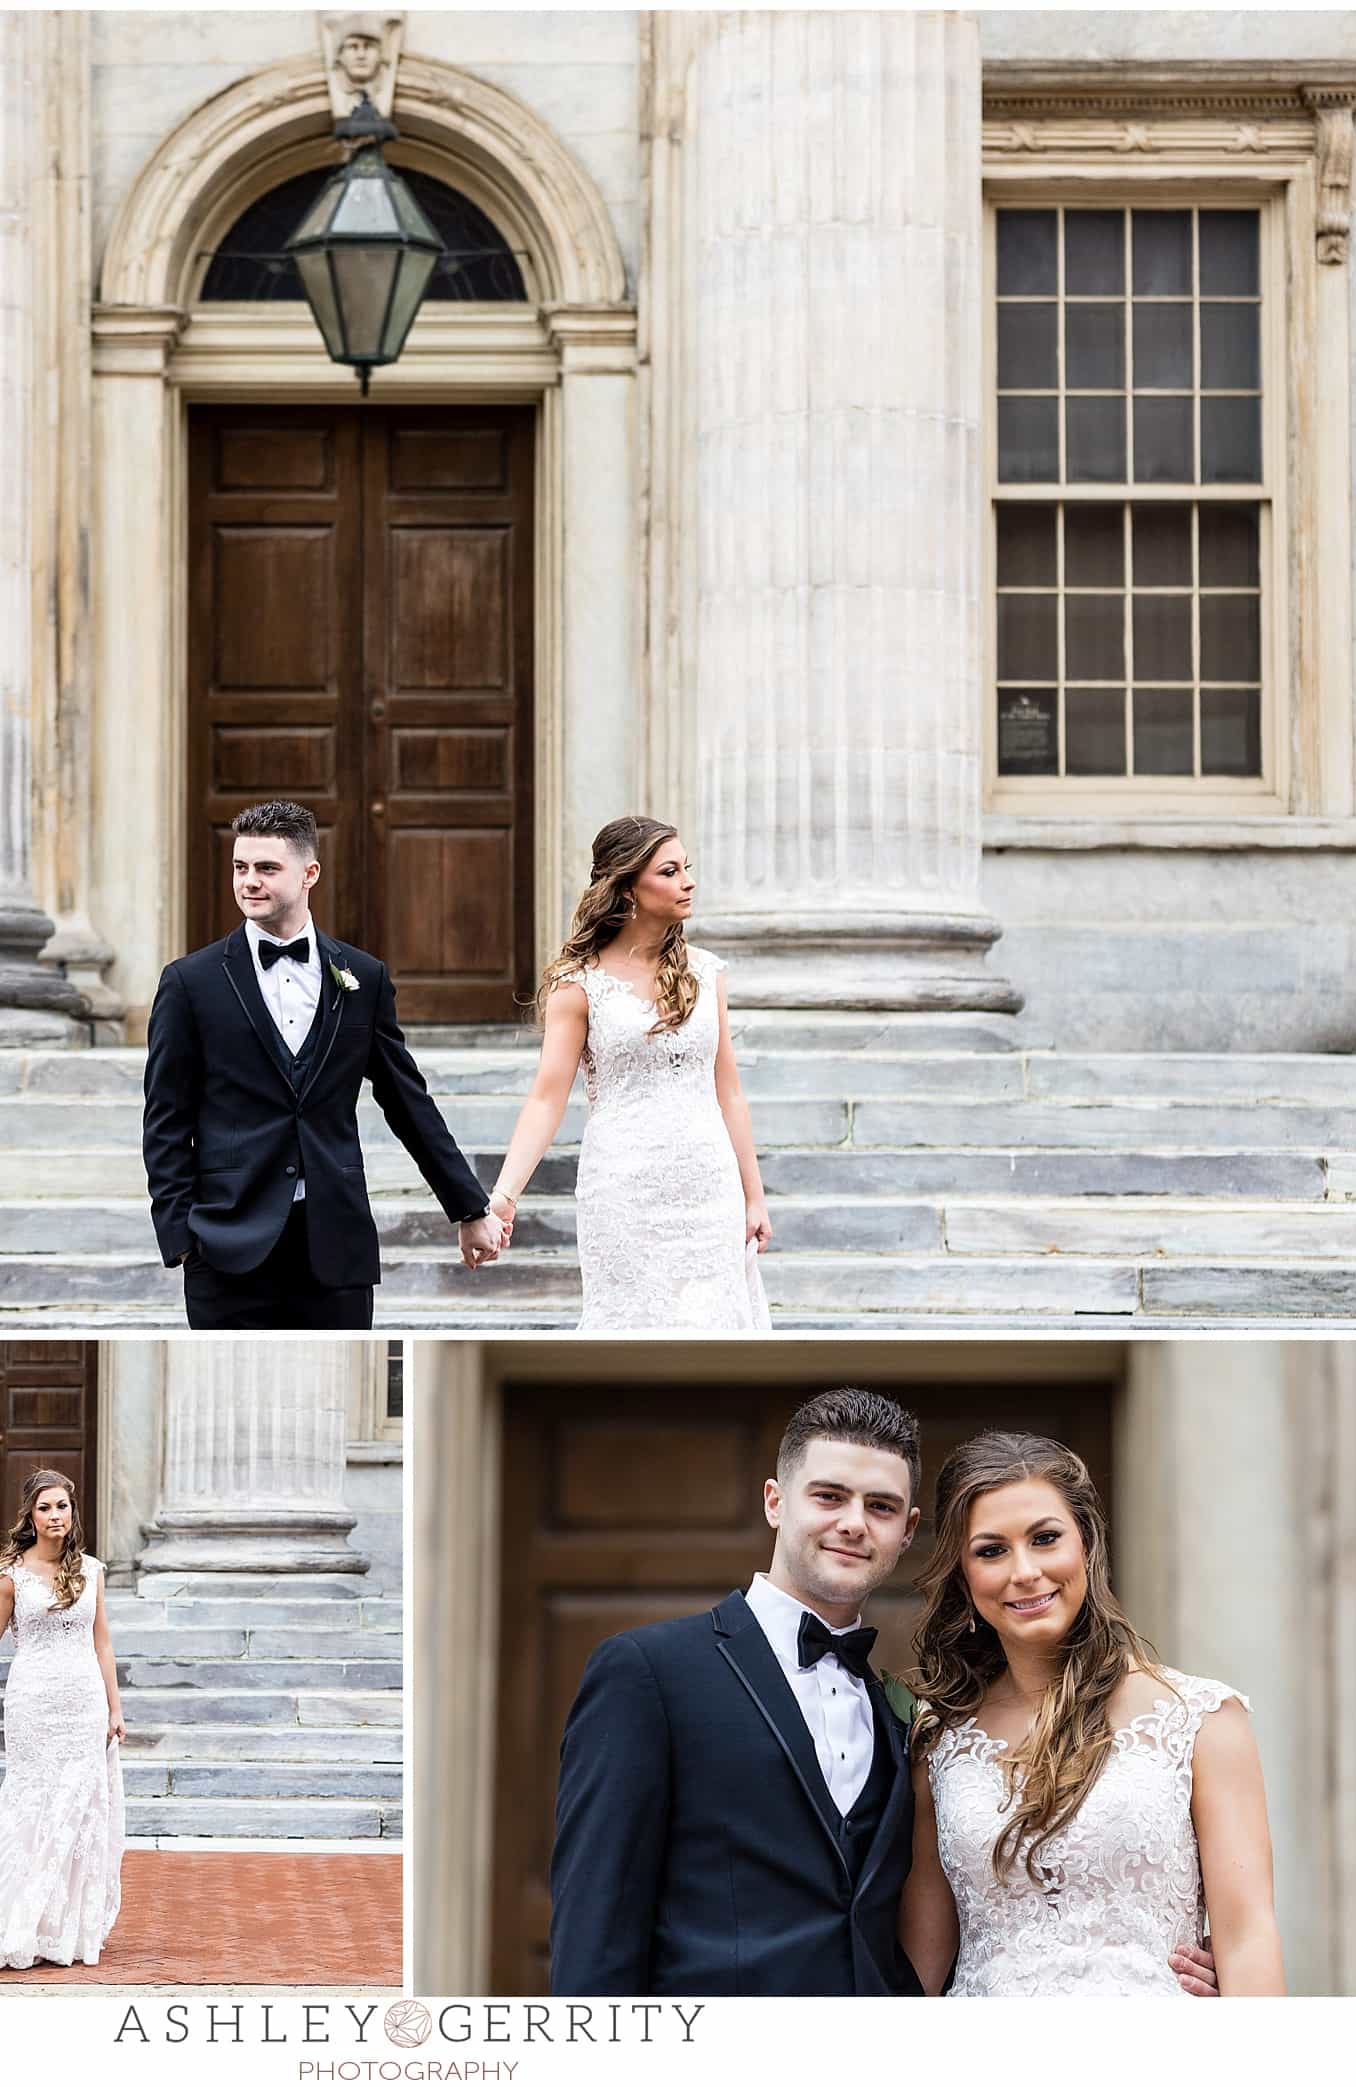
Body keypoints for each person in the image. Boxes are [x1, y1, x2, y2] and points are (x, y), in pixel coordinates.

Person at [548, 1390, 1220, 1998]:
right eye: (828, 1496)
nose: (853, 1522)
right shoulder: (648, 1671)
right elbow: (596, 1922)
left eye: (880, 1506)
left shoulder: (915, 1722)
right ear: (775, 1500)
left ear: (907, 1529)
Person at [898, 1432, 1283, 1997]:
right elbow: (917, 1975)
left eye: (1045, 1538)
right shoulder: (939, 1743)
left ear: (1087, 1544)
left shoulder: (1201, 1719)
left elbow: (1248, 1934)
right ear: (963, 1575)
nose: (1024, 1570)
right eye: (991, 1550)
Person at [142, 798, 507, 1328]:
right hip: (227, 1242)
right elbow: (165, 1119)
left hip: (336, 1244)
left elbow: (408, 1102)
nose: (249, 882)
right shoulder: (189, 983)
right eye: (241, 868)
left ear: (309, 872)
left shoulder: (364, 977)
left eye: (268, 868)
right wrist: (180, 1237)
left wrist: (470, 1209)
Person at [484, 814, 769, 1331]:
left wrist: (754, 1194)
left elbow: (728, 1091)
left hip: (710, 1187)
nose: (688, 881)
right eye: (669, 871)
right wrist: (504, 1196)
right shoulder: (579, 985)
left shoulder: (707, 974)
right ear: (628, 888)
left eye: (687, 868)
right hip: (623, 1187)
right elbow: (547, 1099)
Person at [0, 1470, 126, 1970]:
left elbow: (102, 1641)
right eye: (46, 1508)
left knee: (79, 1811)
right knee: (31, 1806)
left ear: (73, 1512)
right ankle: (9, 1918)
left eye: (63, 1506)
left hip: (83, 1703)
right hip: (34, 1704)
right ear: (30, 1516)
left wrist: (115, 1707)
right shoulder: (10, 1575)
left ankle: (61, 1928)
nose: (56, 1516)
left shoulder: (93, 1571)